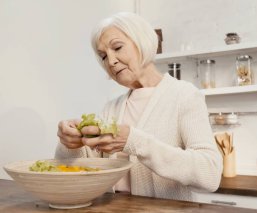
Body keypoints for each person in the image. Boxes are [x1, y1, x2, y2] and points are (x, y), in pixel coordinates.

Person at [55, 11, 222, 201]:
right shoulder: (112, 108)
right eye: (103, 56)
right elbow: (70, 170)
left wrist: (134, 141)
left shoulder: (184, 95)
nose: (111, 61)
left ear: (141, 42)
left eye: (117, 47)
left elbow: (210, 173)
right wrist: (70, 143)